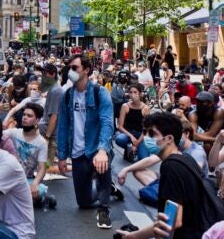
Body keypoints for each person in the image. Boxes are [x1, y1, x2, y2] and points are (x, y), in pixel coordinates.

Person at [116, 112, 213, 239]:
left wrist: (132, 237)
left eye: (152, 134)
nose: (146, 137)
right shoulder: (184, 159)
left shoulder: (171, 167)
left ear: (169, 139)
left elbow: (171, 223)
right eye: (144, 132)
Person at [57, 54, 119, 229]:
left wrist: (102, 150)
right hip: (77, 153)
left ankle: (104, 208)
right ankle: (107, 191)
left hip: (96, 148)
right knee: (83, 202)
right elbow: (63, 125)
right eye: (69, 68)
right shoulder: (67, 95)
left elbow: (107, 122)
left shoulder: (100, 93)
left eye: (74, 68)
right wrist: (62, 155)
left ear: (86, 70)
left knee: (102, 166)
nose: (71, 71)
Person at [3, 102, 56, 208]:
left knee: (38, 191)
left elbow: (42, 168)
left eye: (29, 116)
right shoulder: (13, 133)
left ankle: (42, 199)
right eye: (24, 115)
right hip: (8, 177)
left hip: (26, 180)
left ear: (37, 120)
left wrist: (35, 184)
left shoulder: (41, 143)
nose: (24, 118)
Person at [115, 83, 151, 161]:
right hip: (128, 134)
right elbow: (120, 126)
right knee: (119, 139)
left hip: (141, 135)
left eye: (135, 92)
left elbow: (146, 129)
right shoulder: (125, 106)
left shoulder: (146, 108)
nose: (132, 94)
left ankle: (134, 149)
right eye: (130, 92)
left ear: (140, 94)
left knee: (143, 158)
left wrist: (137, 142)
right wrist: (131, 136)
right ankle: (129, 147)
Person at [39, 63, 63, 167]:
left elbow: (54, 116)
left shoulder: (56, 91)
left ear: (53, 74)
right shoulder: (52, 90)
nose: (43, 76)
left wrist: (47, 137)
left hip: (50, 136)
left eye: (45, 74)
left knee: (46, 166)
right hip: (46, 133)